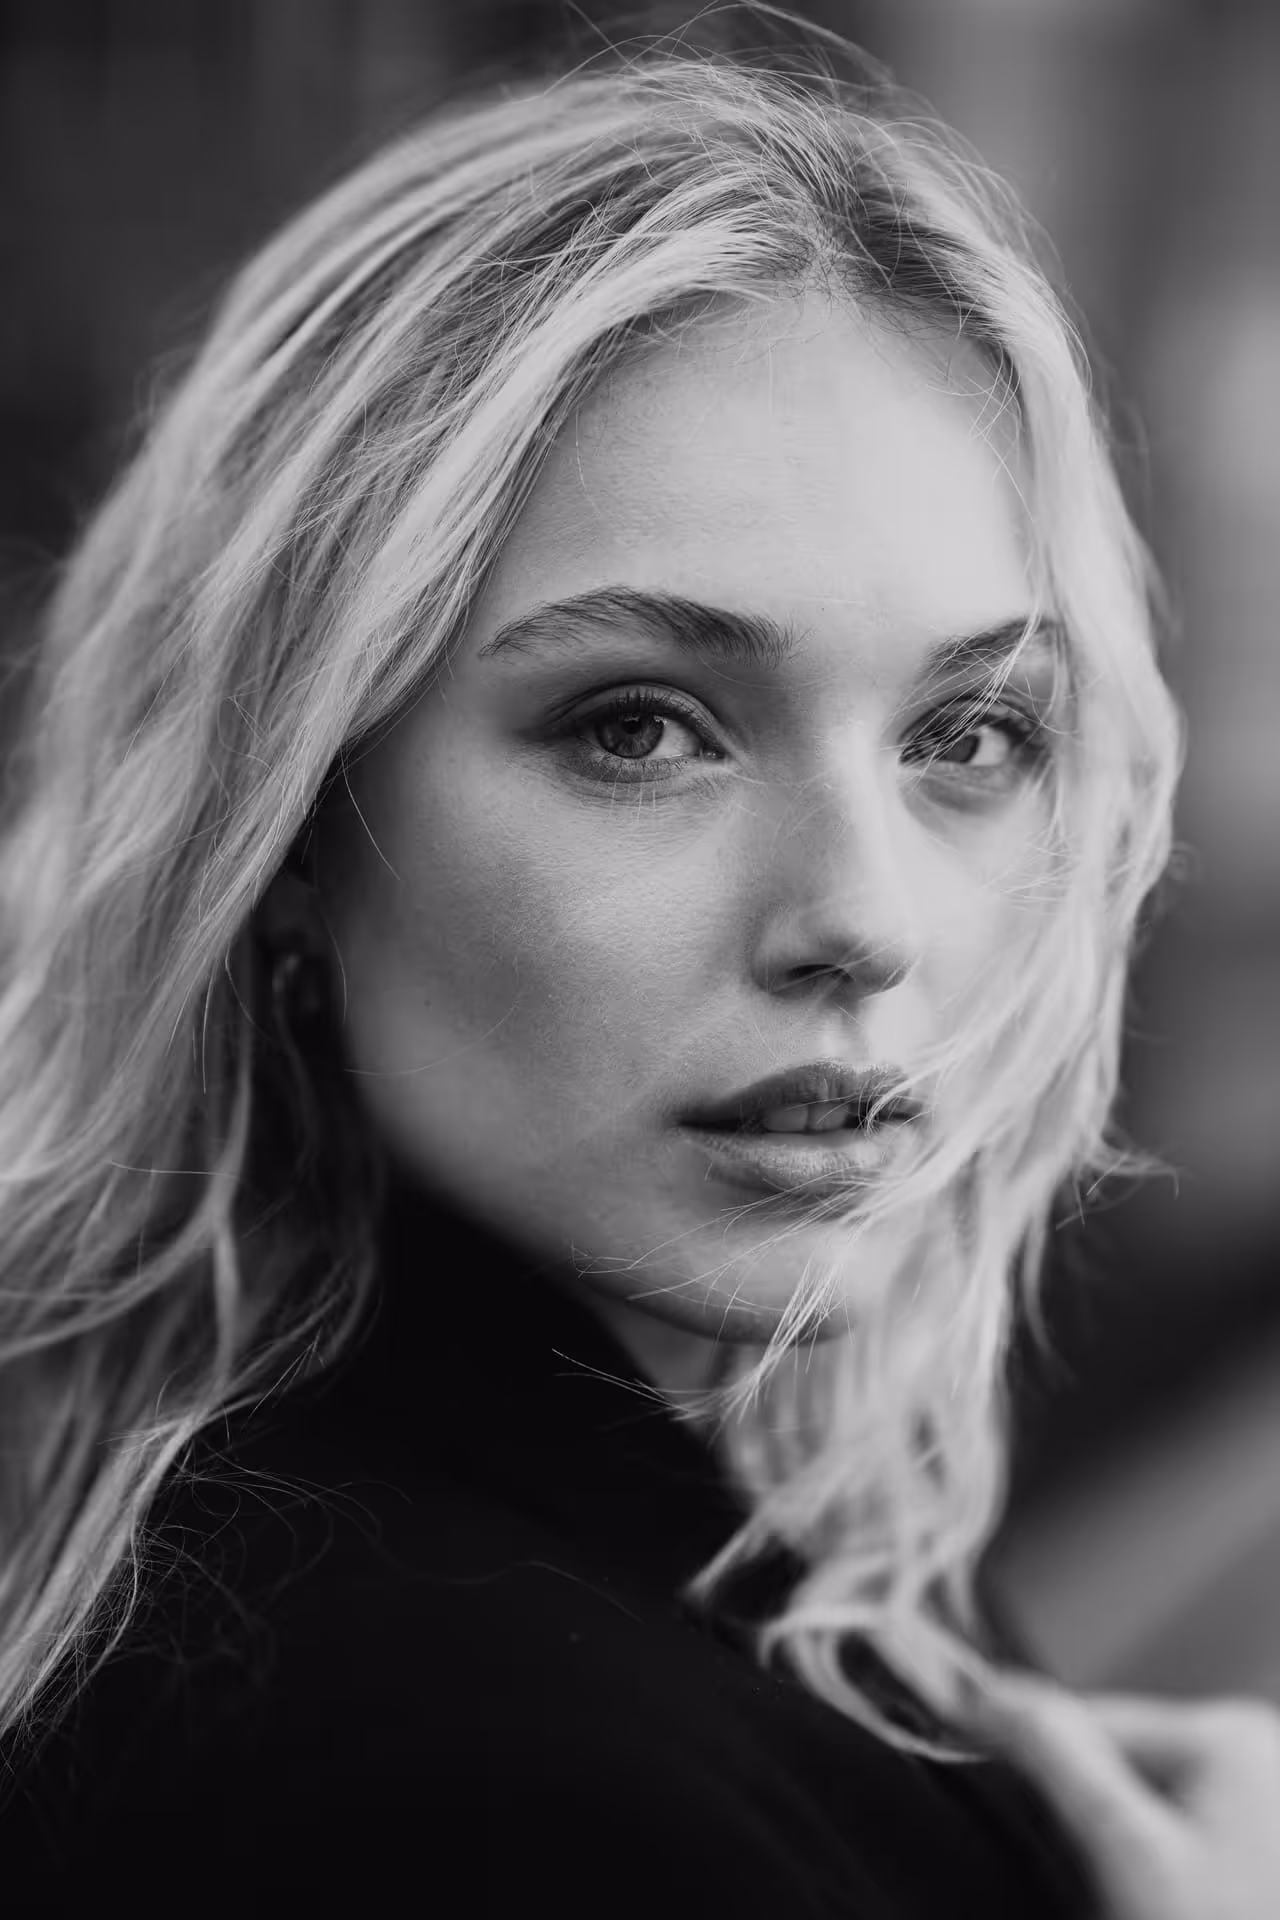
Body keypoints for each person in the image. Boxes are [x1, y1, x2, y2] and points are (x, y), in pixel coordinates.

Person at [1, 12, 1274, 1917]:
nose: (863, 917)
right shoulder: (477, 1788)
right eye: (640, 727)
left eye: (970, 734)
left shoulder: (768, 1567)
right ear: (282, 823)